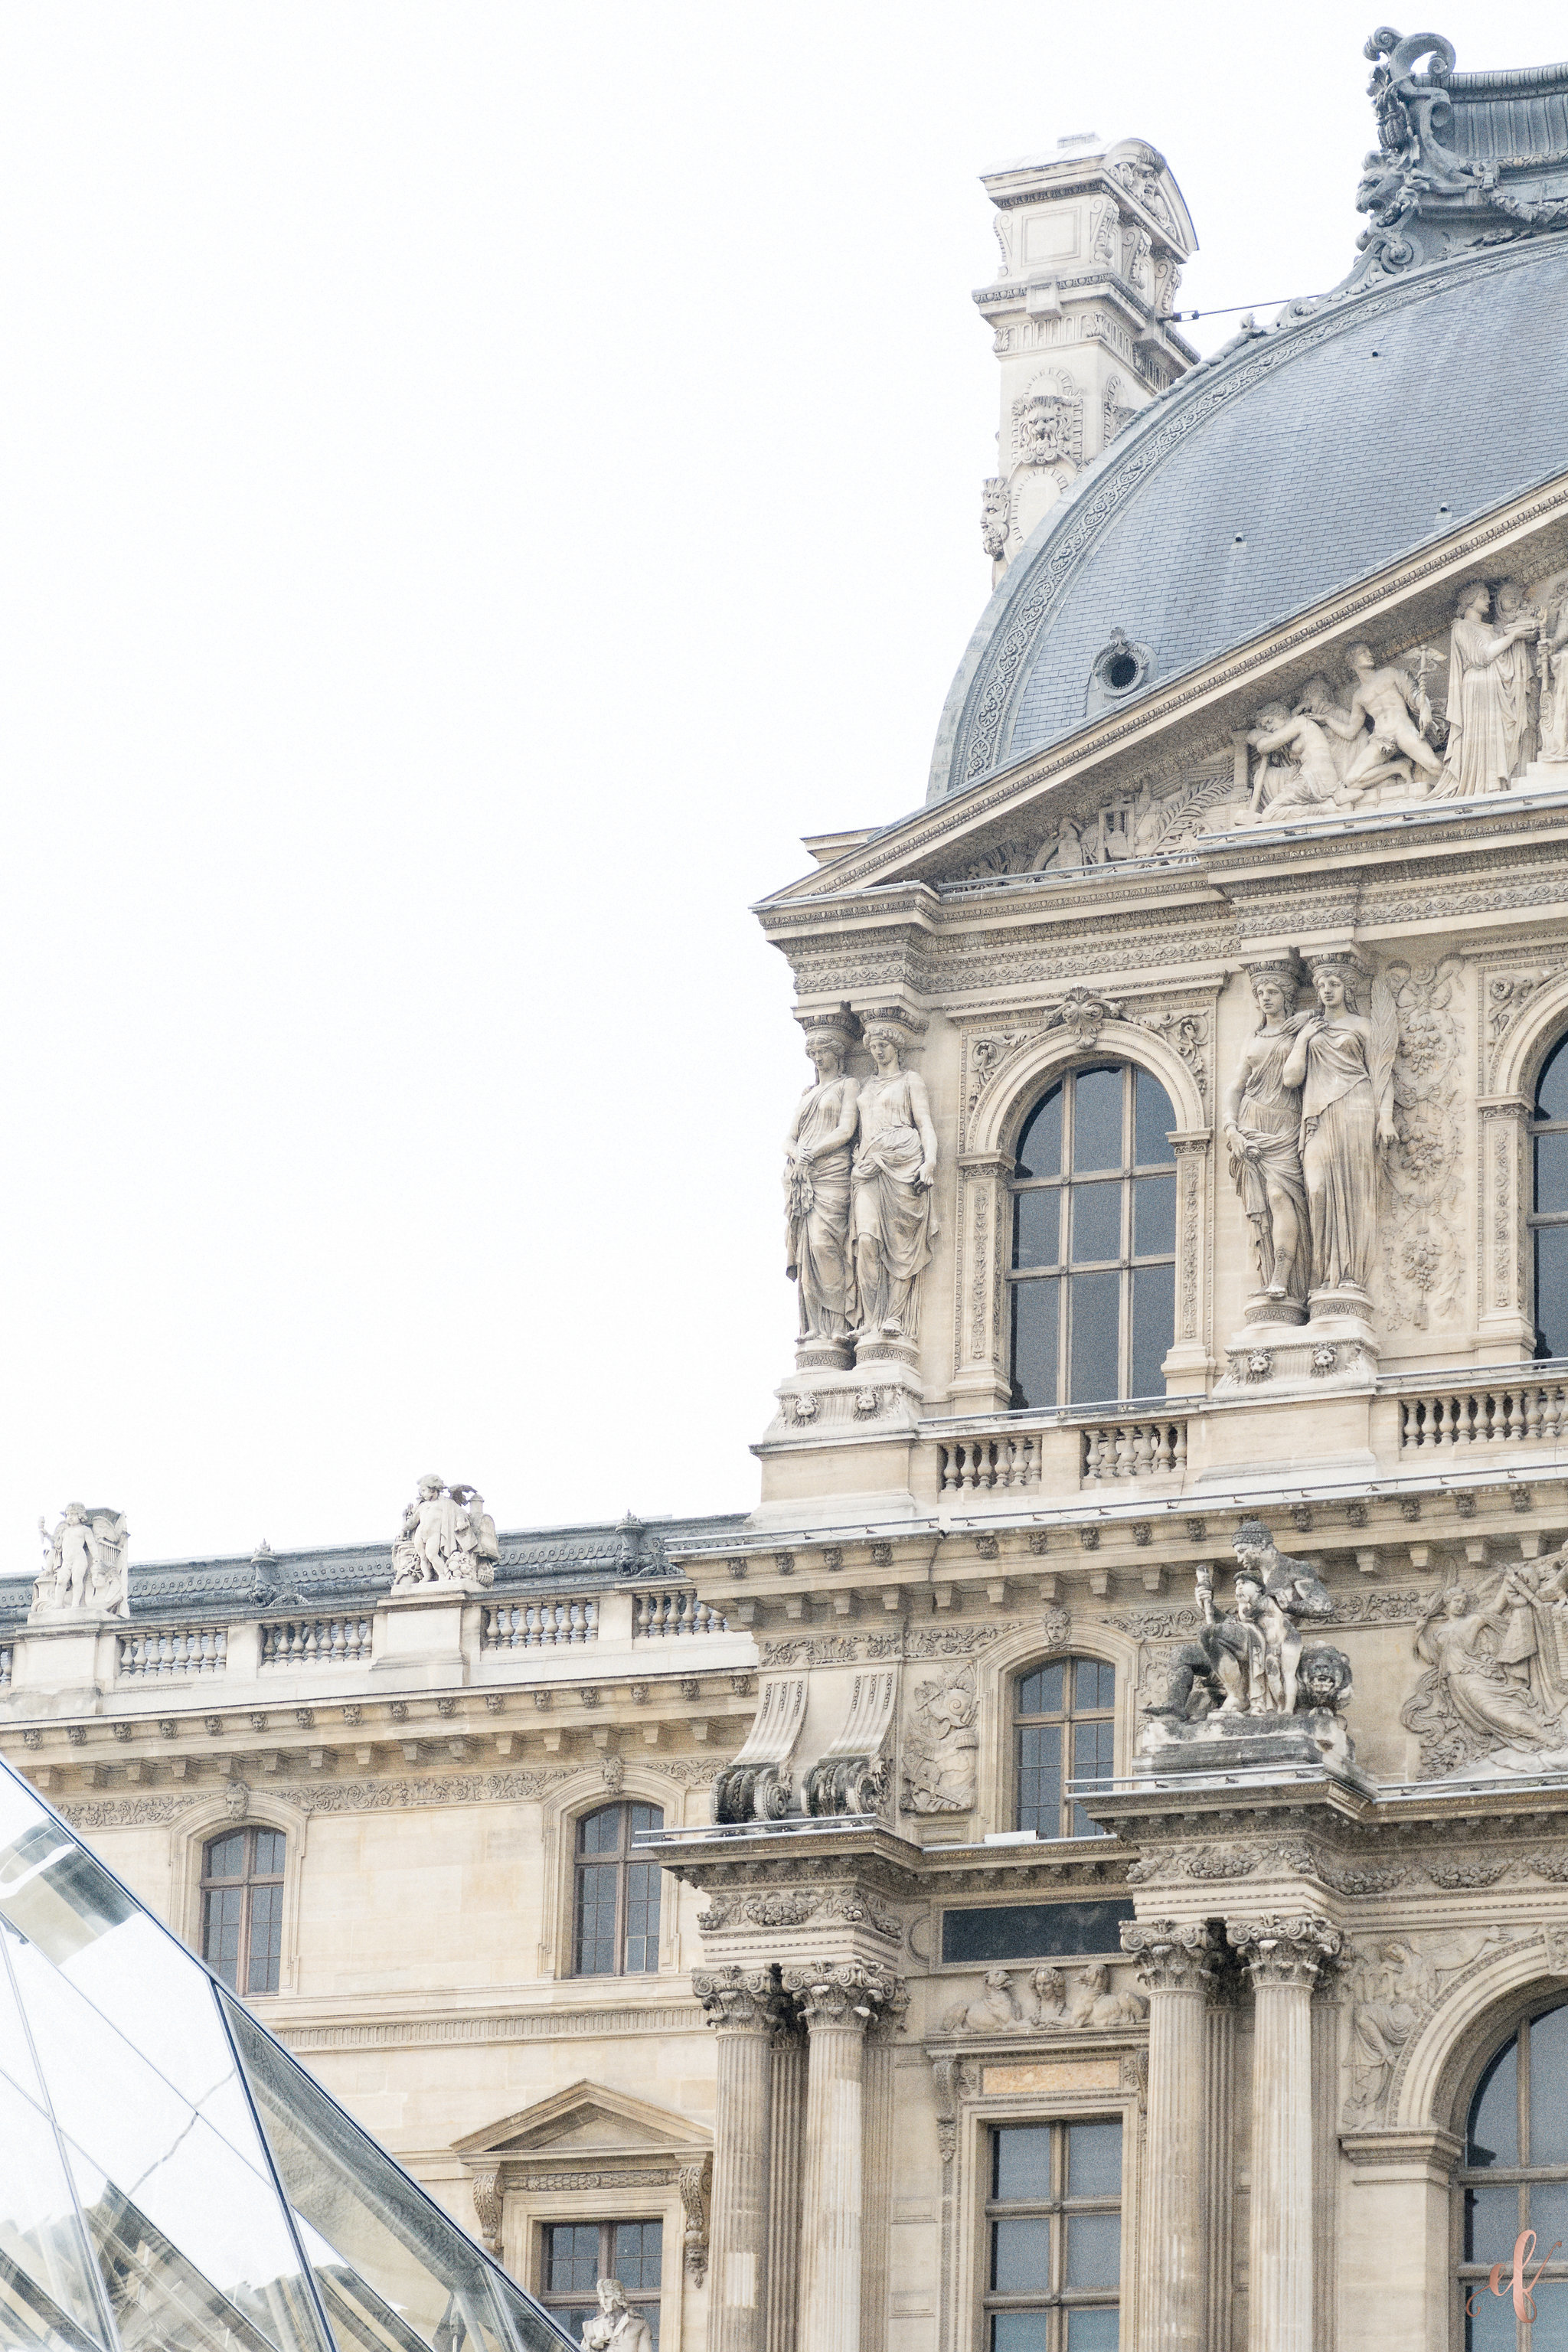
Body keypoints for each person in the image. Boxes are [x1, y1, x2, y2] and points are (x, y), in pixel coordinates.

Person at [1280, 962, 1396, 1302]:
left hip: (1356, 1107)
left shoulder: (1362, 1026)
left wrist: (1385, 1118)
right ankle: (1323, 1275)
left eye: (1334, 984)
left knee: (1353, 1190)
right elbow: (1290, 1078)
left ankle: (1347, 1275)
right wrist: (1302, 1038)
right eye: (1321, 985)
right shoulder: (1310, 1030)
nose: (1327, 990)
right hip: (1317, 1111)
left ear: (1347, 988)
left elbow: (1383, 1075)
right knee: (1316, 1190)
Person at [1221, 969, 1310, 1310]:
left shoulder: (1300, 1028)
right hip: (1252, 1120)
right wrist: (1231, 1128)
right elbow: (1235, 1087)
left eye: (1273, 991)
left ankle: (1284, 1277)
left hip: (1285, 1123)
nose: (1266, 998)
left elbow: (1327, 1014)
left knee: (1280, 1195)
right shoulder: (1252, 1040)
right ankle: (1271, 1274)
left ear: (1287, 995)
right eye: (1260, 993)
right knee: (1261, 1207)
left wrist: (1305, 1021)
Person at [850, 1022, 938, 1344]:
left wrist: (930, 1161)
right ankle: (871, 1320)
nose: (877, 1050)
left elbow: (925, 1123)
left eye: (883, 1044)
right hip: (868, 1168)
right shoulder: (864, 1085)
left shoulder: (909, 1080)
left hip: (904, 1163)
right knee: (867, 1240)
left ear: (896, 1047)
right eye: (873, 1045)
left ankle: (894, 1317)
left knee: (903, 1246)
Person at [1413, 1586, 1565, 1752]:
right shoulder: (1439, 1633)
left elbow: (1496, 1606)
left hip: (1474, 1677)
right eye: (1457, 1601)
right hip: (1456, 1684)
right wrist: (1418, 1634)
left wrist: (1508, 1583)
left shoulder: (1472, 1620)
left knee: (1496, 1710)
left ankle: (1545, 1737)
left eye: (1464, 1602)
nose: (1461, 1605)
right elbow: (1431, 1659)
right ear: (1446, 1603)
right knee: (1493, 1714)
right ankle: (1539, 1733)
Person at [782, 1024, 860, 1345]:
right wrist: (796, 1153)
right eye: (812, 1054)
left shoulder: (848, 1085)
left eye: (821, 1053)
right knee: (808, 1250)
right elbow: (788, 1138)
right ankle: (815, 1325)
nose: (817, 1059)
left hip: (831, 1170)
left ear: (837, 1053)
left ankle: (839, 1319)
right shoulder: (808, 1094)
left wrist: (812, 1153)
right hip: (803, 1175)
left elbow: (846, 1129)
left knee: (827, 1245)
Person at [1439, 581, 1539, 795]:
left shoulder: (1490, 629)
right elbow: (1482, 656)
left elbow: (1501, 655)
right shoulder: (1462, 627)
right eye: (1484, 596)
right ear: (1470, 601)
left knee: (1495, 738)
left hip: (1494, 687)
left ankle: (1497, 780)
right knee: (1484, 739)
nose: (1489, 600)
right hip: (1478, 688)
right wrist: (1512, 636)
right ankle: (1484, 785)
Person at [581, 2278, 653, 2352]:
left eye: (607, 2297)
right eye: (601, 2297)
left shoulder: (639, 2324)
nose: (603, 2302)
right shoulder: (593, 2326)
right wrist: (592, 2346)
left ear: (618, 2296)